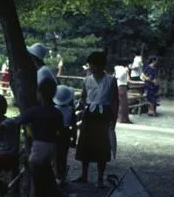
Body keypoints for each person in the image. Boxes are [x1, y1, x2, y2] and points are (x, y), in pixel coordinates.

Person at [4, 78, 65, 197]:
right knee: (43, 176)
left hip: (38, 147)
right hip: (52, 147)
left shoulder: (34, 111)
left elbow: (17, 121)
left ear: (39, 94)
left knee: (36, 180)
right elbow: (60, 131)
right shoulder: (57, 113)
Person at [74, 51, 119, 187]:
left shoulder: (111, 80)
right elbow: (83, 98)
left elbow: (114, 101)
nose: (92, 68)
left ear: (101, 65)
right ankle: (84, 174)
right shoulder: (87, 80)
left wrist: (114, 119)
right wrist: (79, 110)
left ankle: (100, 177)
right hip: (89, 113)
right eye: (90, 65)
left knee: (102, 145)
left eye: (94, 65)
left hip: (104, 113)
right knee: (85, 143)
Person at [53, 84, 76, 184]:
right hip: (66, 133)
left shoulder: (53, 109)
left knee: (55, 155)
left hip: (55, 133)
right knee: (63, 155)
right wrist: (74, 139)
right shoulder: (71, 109)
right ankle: (61, 175)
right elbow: (74, 126)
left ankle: (57, 175)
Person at [114, 59, 132, 124]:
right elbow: (119, 77)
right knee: (123, 104)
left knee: (120, 103)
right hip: (122, 86)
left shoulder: (117, 68)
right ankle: (123, 119)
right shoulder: (124, 70)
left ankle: (120, 118)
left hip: (118, 86)